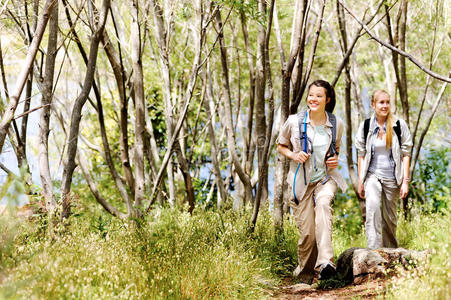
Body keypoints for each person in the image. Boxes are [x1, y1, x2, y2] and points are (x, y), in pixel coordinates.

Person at [277, 79, 347, 283]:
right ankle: (305, 276)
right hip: (301, 182)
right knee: (307, 235)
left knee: (324, 205)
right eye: (311, 95)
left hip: (325, 179)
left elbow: (336, 149)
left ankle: (326, 264)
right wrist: (294, 155)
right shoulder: (294, 121)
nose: (313, 99)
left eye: (319, 95)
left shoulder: (336, 123)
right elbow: (281, 146)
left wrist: (335, 159)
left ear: (327, 99)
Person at [355, 90, 412, 249]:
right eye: (381, 102)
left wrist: (405, 182)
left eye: (387, 102)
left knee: (390, 219)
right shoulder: (366, 126)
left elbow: (406, 154)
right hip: (372, 175)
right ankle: (372, 251)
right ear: (373, 105)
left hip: (393, 178)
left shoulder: (399, 125)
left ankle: (391, 253)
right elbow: (361, 155)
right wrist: (361, 181)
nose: (385, 105)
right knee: (372, 209)